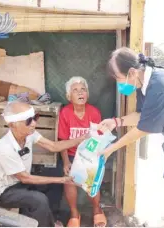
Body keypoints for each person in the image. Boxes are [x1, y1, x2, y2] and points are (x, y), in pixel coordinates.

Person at [0, 101, 87, 227]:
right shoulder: (4, 148)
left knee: (55, 174)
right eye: (28, 120)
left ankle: (52, 218)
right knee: (39, 199)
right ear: (13, 125)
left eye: (35, 118)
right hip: (3, 193)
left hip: (20, 184)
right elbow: (25, 178)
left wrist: (82, 138)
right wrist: (62, 180)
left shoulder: (30, 134)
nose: (34, 123)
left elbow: (54, 146)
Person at [58, 76, 106, 227]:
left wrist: (91, 160)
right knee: (69, 178)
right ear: (68, 96)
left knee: (92, 180)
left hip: (90, 153)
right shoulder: (65, 113)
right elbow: (62, 140)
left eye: (83, 89)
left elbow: (98, 139)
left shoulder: (94, 113)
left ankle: (97, 209)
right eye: (75, 90)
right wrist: (66, 161)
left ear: (87, 94)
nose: (80, 93)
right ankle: (74, 213)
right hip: (72, 154)